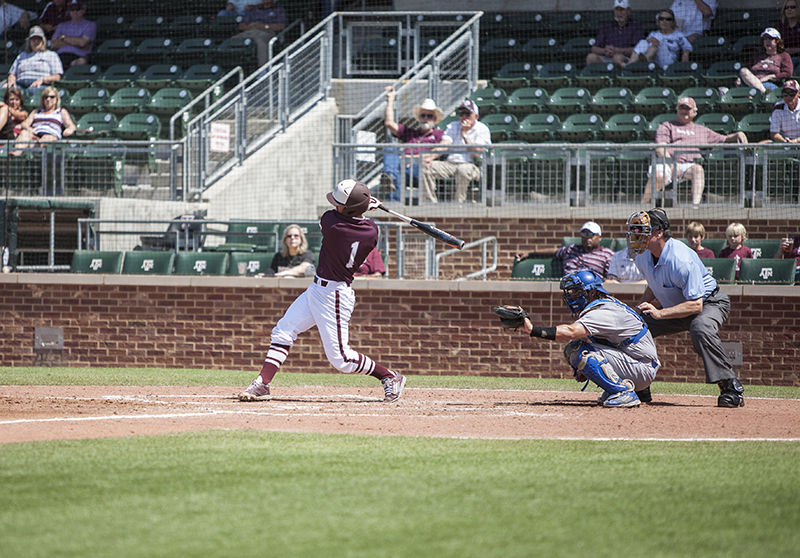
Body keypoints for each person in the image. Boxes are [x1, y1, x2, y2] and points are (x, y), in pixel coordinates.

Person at [239, 179, 406, 403]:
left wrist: (363, 205)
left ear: (347, 209)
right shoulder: (371, 231)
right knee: (283, 331)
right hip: (317, 289)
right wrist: (365, 206)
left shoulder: (331, 224)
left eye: (340, 204)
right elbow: (354, 216)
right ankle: (263, 384)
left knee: (342, 359)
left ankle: (389, 376)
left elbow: (335, 213)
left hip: (334, 295)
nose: (335, 205)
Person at [626, 208, 744, 408]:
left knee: (700, 328)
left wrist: (660, 312)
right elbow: (654, 284)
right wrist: (639, 309)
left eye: (642, 230)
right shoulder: (643, 256)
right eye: (635, 230)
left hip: (708, 302)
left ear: (658, 232)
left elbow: (696, 304)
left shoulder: (680, 258)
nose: (636, 235)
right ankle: (639, 385)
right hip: (677, 306)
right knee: (632, 327)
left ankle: (731, 387)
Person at [512, 269, 659, 408]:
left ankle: (622, 392)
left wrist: (532, 329)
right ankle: (622, 387)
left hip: (642, 368)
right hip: (637, 363)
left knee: (577, 349)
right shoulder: (605, 304)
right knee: (584, 343)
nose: (571, 296)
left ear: (592, 292)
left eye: (577, 291)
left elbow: (571, 332)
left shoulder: (602, 311)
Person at [641, 96, 747, 207]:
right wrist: (671, 164)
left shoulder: (701, 130)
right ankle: (644, 204)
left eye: (687, 108)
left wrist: (738, 134)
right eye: (681, 108)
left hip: (687, 165)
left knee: (698, 170)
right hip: (667, 162)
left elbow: (723, 139)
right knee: (659, 174)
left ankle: (695, 207)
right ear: (677, 110)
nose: (684, 111)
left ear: (694, 112)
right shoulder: (667, 126)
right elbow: (660, 147)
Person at [381, 86, 451, 202]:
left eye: (429, 116)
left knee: (396, 168)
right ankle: (390, 179)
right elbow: (389, 123)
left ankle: (390, 178)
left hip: (420, 167)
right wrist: (391, 99)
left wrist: (412, 159)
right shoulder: (410, 132)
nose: (425, 118)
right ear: (418, 118)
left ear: (434, 119)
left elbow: (443, 148)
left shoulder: (439, 134)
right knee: (391, 148)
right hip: (402, 165)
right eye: (423, 115)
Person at [421, 99, 490, 204]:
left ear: (476, 116)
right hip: (450, 164)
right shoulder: (453, 126)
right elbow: (444, 145)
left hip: (471, 165)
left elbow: (478, 153)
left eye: (467, 114)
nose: (464, 117)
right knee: (426, 167)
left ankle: (458, 203)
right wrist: (429, 157)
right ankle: (430, 203)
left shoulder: (482, 129)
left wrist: (465, 134)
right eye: (461, 114)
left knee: (463, 170)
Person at [517, 221, 614, 278]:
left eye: (591, 234)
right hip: (568, 288)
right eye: (584, 234)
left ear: (599, 237)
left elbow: (611, 279)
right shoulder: (571, 249)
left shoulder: (606, 255)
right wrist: (530, 253)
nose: (587, 237)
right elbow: (554, 251)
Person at [14, 86, 76, 152]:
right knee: (24, 133)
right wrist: (29, 129)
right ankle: (16, 155)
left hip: (51, 136)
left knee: (46, 138)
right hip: (35, 134)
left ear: (56, 99)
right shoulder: (36, 112)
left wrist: (69, 130)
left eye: (52, 97)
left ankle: (36, 150)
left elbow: (71, 126)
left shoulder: (60, 111)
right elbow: (25, 124)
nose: (48, 99)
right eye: (46, 97)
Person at [586, 0, 645, 67]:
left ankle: (623, 76)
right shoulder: (607, 26)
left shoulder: (635, 26)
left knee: (617, 57)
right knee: (591, 57)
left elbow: (639, 49)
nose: (619, 13)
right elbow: (594, 48)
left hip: (626, 59)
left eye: (622, 10)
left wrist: (618, 50)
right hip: (607, 57)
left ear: (628, 11)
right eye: (617, 9)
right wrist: (604, 51)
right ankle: (598, 77)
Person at [6, 26, 64, 94]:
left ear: (43, 41)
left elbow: (57, 76)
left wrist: (43, 79)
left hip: (39, 85)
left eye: (38, 39)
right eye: (33, 39)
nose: (36, 41)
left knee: (31, 91)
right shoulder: (21, 55)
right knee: (5, 89)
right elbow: (12, 73)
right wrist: (11, 79)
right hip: (20, 84)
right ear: (29, 41)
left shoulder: (51, 55)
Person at [628, 9, 692, 68]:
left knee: (659, 42)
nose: (664, 21)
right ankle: (628, 65)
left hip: (669, 62)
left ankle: (644, 62)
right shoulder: (653, 34)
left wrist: (686, 53)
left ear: (673, 22)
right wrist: (650, 40)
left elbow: (688, 47)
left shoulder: (678, 35)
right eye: (661, 19)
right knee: (643, 41)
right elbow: (645, 45)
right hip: (654, 61)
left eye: (668, 19)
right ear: (658, 21)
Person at [738, 28, 793, 94]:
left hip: (771, 84)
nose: (767, 41)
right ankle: (764, 93)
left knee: (751, 92)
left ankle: (759, 93)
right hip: (753, 84)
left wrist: (770, 76)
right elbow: (748, 70)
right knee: (743, 71)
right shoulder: (757, 55)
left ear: (777, 41)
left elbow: (788, 73)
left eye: (770, 38)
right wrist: (739, 79)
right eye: (765, 39)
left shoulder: (784, 55)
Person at [233, 0, 287, 67]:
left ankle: (263, 69)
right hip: (250, 32)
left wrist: (264, 26)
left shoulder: (278, 9)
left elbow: (281, 26)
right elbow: (241, 26)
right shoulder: (254, 10)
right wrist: (250, 26)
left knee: (260, 41)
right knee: (233, 40)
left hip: (267, 32)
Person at [50, 0, 96, 68]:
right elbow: (53, 44)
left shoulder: (90, 25)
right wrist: (75, 42)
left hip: (78, 56)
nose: (75, 12)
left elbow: (82, 43)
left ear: (83, 10)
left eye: (77, 9)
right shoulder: (62, 25)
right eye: (72, 9)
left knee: (81, 62)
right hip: (60, 56)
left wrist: (63, 38)